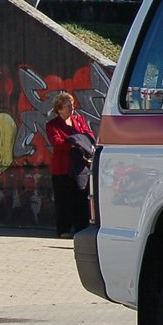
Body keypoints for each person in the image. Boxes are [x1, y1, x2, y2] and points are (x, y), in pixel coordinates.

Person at [45, 92, 95, 237]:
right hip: (63, 167)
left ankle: (82, 228)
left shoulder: (79, 120)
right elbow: (56, 142)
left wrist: (78, 142)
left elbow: (88, 135)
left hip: (80, 166)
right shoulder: (52, 125)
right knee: (64, 199)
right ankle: (64, 229)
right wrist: (74, 143)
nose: (72, 108)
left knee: (81, 197)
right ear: (59, 108)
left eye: (73, 105)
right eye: (68, 106)